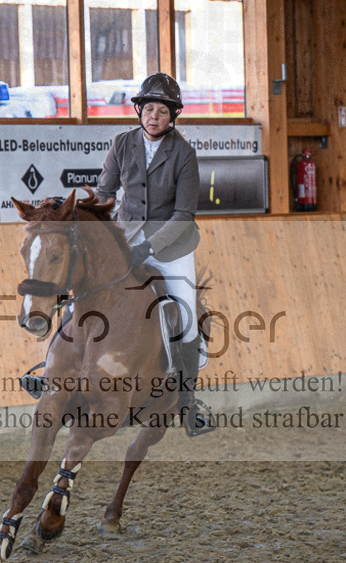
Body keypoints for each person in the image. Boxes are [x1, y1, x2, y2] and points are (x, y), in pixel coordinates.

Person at [95, 72, 213, 437]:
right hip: (127, 240)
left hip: (172, 246)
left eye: (161, 111)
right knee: (85, 290)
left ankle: (188, 402)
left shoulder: (184, 154)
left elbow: (183, 215)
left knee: (188, 315)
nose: (153, 116)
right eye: (148, 109)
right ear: (139, 111)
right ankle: (55, 369)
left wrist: (150, 246)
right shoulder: (121, 143)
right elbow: (104, 192)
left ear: (172, 116)